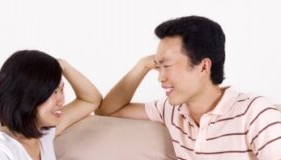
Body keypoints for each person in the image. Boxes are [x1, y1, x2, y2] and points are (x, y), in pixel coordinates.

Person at [95, 16, 281, 159]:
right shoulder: (171, 109)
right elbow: (107, 110)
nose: (161, 77)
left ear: (203, 66)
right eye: (157, 67)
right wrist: (141, 66)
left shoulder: (255, 112)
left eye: (167, 66)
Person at [0, 50, 102, 160]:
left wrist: (63, 66)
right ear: (26, 96)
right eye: (53, 92)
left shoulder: (43, 133)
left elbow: (91, 100)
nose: (61, 100)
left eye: (61, 90)